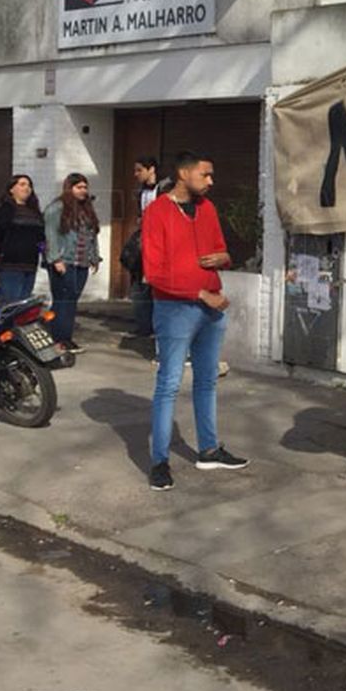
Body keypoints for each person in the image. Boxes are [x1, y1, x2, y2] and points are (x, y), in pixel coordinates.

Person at [142, 151, 247, 492]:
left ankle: (209, 449)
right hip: (175, 309)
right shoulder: (157, 212)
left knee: (207, 381)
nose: (211, 181)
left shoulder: (207, 208)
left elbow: (221, 250)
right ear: (184, 174)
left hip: (211, 310)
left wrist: (225, 257)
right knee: (169, 384)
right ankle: (159, 462)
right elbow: (154, 273)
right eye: (206, 175)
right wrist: (202, 294)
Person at [43, 173, 101, 352]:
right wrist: (55, 259)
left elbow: (93, 235)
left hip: (81, 262)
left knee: (71, 301)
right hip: (64, 261)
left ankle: (65, 337)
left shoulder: (86, 209)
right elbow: (50, 234)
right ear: (70, 188)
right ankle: (57, 338)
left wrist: (95, 257)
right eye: (79, 187)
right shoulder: (57, 207)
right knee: (62, 300)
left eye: (85, 187)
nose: (83, 191)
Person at [125, 156, 165, 339]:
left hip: (161, 243)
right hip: (144, 242)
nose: (136, 174)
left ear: (151, 169)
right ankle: (143, 326)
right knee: (139, 284)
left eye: (139, 170)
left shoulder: (165, 188)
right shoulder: (140, 192)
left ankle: (158, 327)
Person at [0, 175, 45, 302]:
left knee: (22, 307)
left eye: (29, 185)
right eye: (22, 184)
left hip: (30, 265)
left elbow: (40, 238)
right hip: (9, 266)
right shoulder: (4, 210)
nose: (27, 188)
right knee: (9, 305)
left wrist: (44, 252)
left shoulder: (34, 212)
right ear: (11, 189)